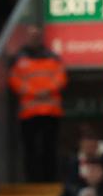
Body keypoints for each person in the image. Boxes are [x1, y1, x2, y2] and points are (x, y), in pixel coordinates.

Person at [7, 26, 67, 182]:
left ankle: (50, 179)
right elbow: (14, 81)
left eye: (37, 35)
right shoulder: (19, 59)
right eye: (31, 35)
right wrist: (36, 91)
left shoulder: (53, 57)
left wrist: (45, 90)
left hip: (51, 112)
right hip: (29, 113)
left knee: (50, 148)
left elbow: (61, 78)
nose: (34, 38)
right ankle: (32, 181)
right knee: (30, 149)